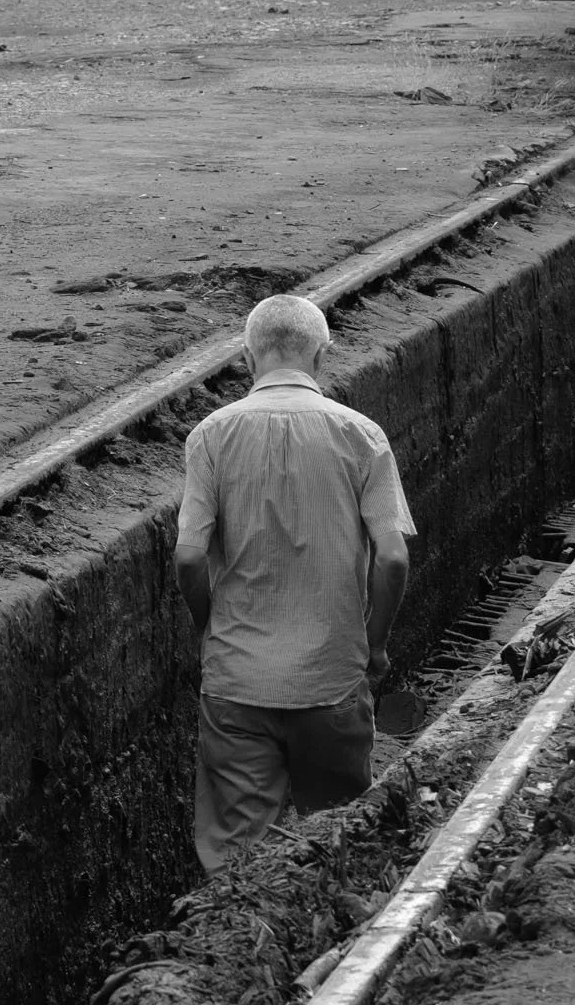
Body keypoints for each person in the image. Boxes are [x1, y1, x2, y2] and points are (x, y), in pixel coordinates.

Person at [174, 294, 414, 872]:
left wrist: (213, 627)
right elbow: (393, 560)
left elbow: (187, 558)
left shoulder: (210, 436)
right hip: (331, 681)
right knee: (341, 843)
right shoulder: (362, 436)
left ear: (247, 358)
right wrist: (374, 644)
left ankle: (233, 950)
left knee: (236, 857)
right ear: (322, 357)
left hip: (237, 684)